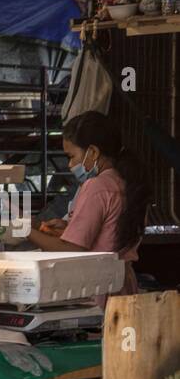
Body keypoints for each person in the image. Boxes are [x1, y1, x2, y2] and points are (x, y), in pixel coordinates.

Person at [27, 111, 150, 303]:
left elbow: (71, 250)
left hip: (99, 289)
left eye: (72, 156)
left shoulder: (97, 186)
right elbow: (109, 234)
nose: (69, 165)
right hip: (123, 287)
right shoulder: (126, 182)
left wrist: (24, 230)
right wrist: (69, 228)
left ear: (93, 152)